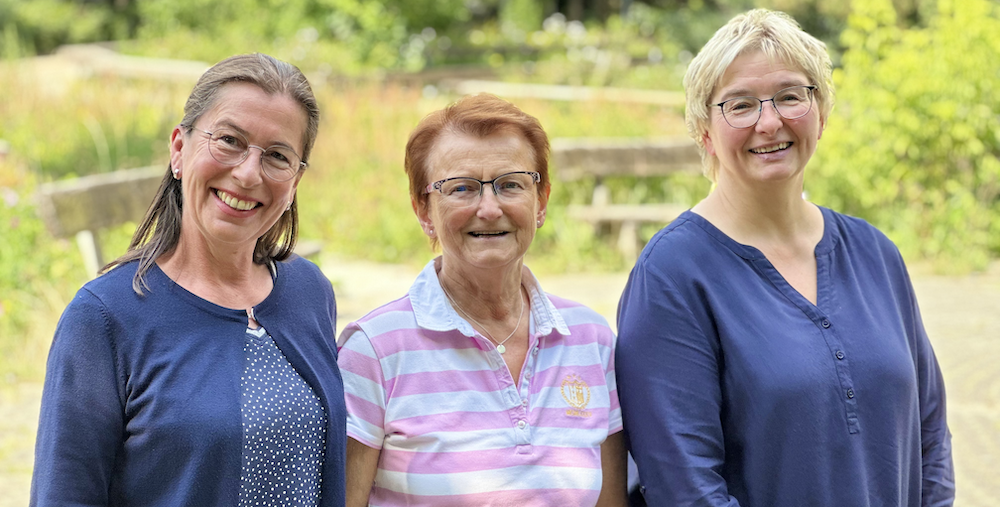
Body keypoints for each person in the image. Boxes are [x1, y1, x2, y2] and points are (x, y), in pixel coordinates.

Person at [615, 9, 955, 507]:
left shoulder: (875, 253)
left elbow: (930, 439)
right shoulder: (672, 274)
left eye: (791, 96)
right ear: (704, 129)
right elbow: (685, 487)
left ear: (821, 111)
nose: (769, 121)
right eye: (740, 105)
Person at [31, 53, 346, 506]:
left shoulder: (308, 291)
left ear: (295, 179)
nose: (247, 172)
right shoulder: (104, 319)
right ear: (179, 148)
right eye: (230, 141)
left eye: (277, 155)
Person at [336, 93, 627, 507]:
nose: (489, 209)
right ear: (423, 208)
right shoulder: (375, 351)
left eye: (510, 184)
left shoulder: (592, 341)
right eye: (462, 188)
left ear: (540, 202)